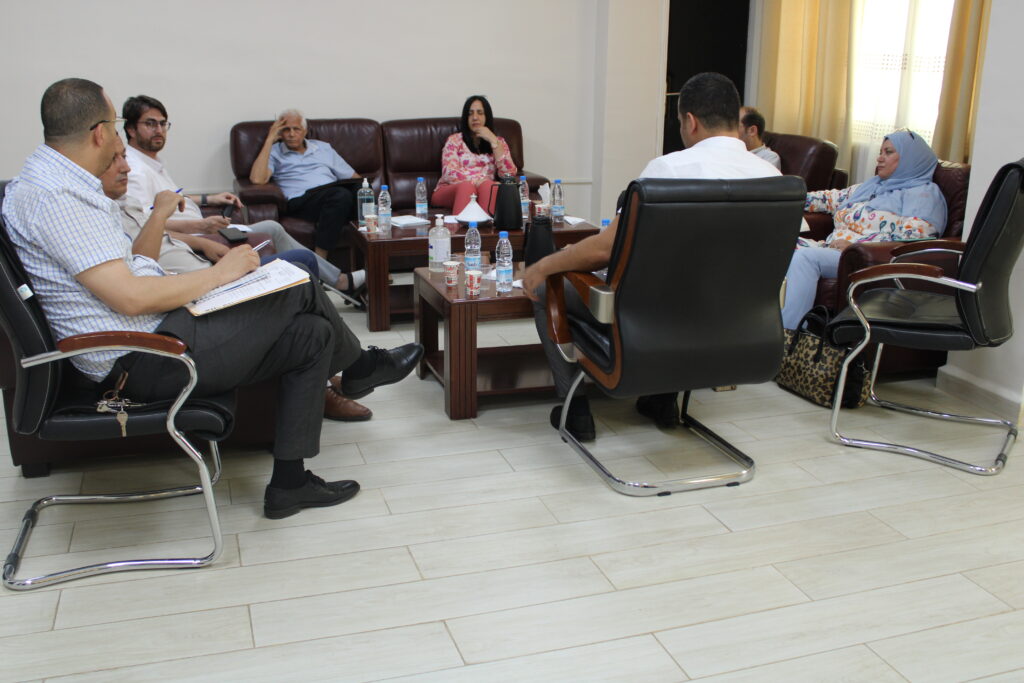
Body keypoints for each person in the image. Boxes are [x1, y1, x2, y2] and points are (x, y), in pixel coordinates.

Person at [3, 78, 423, 519]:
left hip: (153, 337)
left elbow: (130, 270)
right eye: (114, 123)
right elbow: (129, 298)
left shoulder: (54, 184)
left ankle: (290, 483)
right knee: (298, 278)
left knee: (312, 332)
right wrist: (221, 274)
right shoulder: (58, 197)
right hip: (144, 357)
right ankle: (360, 367)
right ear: (98, 133)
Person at [522, 73, 783, 440]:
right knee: (687, 289)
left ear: (690, 121)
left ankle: (574, 409)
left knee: (544, 287)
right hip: (743, 337)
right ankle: (661, 400)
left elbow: (605, 249)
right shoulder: (773, 178)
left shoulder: (670, 170)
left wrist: (544, 265)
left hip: (651, 331)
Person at [101, 149, 374, 422]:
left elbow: (161, 233)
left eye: (123, 156)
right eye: (115, 159)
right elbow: (143, 264)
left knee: (304, 293)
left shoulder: (127, 199)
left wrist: (203, 238)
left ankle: (336, 369)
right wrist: (191, 234)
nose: (125, 167)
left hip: (203, 266)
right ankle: (349, 365)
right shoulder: (115, 201)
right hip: (198, 290)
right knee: (299, 269)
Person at [121, 96, 365, 303]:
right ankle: (340, 281)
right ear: (131, 129)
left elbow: (169, 199)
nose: (159, 130)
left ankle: (343, 276)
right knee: (281, 226)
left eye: (162, 124)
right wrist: (201, 226)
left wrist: (210, 197)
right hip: (196, 239)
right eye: (150, 124)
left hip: (203, 232)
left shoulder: (151, 163)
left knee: (350, 195)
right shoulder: (135, 170)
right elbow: (148, 224)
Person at [780, 130, 947, 329]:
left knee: (805, 258)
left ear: (910, 158)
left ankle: (788, 335)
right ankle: (758, 325)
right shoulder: (870, 186)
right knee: (775, 244)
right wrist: (784, 196)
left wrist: (857, 246)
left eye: (888, 152)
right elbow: (829, 199)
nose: (879, 158)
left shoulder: (923, 194)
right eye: (880, 152)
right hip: (830, 249)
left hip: (863, 257)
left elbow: (915, 238)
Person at [248, 109, 363, 264]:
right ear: (279, 133)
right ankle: (320, 261)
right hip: (301, 199)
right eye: (286, 130)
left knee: (363, 192)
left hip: (333, 194)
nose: (291, 134)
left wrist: (363, 190)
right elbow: (257, 179)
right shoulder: (274, 152)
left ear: (305, 131)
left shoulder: (323, 148)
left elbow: (353, 177)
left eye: (296, 129)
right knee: (340, 196)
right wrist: (269, 140)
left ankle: (372, 259)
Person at [434, 95, 518, 215]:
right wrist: (477, 182)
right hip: (451, 190)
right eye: (470, 114)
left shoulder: (498, 142)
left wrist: (493, 141)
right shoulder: (454, 140)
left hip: (485, 191)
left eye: (480, 113)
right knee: (467, 187)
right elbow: (449, 173)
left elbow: (508, 175)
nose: (475, 117)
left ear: (487, 116)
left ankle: (485, 227)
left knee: (488, 186)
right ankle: (460, 227)